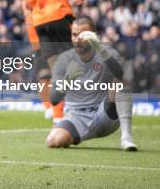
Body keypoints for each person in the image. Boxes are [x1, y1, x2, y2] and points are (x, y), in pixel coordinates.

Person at [17, 0, 85, 123]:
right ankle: (76, 109)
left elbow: (25, 2)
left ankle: (58, 115)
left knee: (56, 68)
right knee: (72, 65)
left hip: (39, 21)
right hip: (58, 15)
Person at [45, 16, 137, 151]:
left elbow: (121, 75)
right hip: (76, 117)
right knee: (53, 141)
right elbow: (53, 99)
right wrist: (68, 79)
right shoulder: (64, 59)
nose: (77, 40)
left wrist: (99, 47)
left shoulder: (107, 53)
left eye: (82, 35)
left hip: (104, 114)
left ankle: (126, 137)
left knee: (120, 82)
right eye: (74, 35)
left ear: (94, 36)